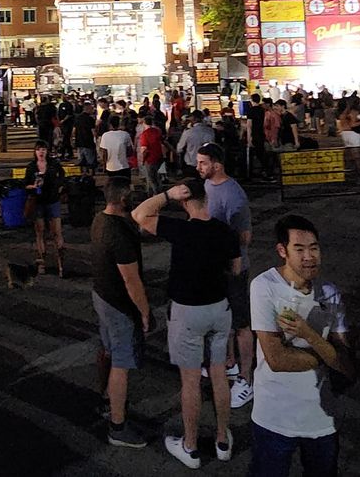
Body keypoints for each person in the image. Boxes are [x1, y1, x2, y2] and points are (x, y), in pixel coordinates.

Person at [133, 180, 240, 468]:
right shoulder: (224, 231)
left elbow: (139, 215)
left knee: (190, 380)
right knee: (219, 374)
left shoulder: (180, 229)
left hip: (187, 312)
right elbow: (236, 268)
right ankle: (221, 440)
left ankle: (191, 445)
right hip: (219, 308)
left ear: (184, 202)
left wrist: (166, 195)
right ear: (206, 199)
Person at [249, 215, 352, 477]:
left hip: (321, 419)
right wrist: (327, 355)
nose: (309, 256)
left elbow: (347, 364)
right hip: (274, 417)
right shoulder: (265, 287)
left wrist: (309, 335)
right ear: (282, 251)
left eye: (314, 248)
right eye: (299, 249)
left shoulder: (330, 292)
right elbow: (277, 360)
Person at [90, 176, 151, 449]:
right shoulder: (119, 234)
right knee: (122, 363)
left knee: (108, 350)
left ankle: (106, 399)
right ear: (124, 199)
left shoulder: (100, 220)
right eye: (133, 193)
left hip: (101, 295)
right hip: (118, 303)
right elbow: (132, 281)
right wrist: (145, 311)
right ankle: (118, 425)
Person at [198, 142, 255, 410]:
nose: (198, 167)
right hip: (214, 265)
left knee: (242, 323)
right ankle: (229, 363)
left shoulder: (234, 195)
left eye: (202, 163)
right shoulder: (207, 186)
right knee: (224, 319)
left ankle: (247, 378)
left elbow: (245, 237)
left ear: (216, 165)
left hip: (234, 268)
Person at [23, 141, 67, 276]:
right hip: (38, 202)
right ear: (35, 152)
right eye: (38, 150)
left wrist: (59, 187)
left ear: (47, 151)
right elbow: (25, 184)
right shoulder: (31, 167)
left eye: (43, 149)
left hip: (52, 200)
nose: (41, 152)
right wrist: (32, 187)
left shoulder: (54, 165)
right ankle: (42, 262)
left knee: (56, 232)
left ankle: (61, 264)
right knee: (40, 232)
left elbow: (63, 177)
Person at [176, 109, 216, 179]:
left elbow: (179, 149)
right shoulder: (210, 131)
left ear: (193, 119)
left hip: (191, 165)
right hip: (206, 165)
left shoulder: (188, 132)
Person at [137, 114, 167, 193]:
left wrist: (143, 160)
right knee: (157, 177)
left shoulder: (144, 134)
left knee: (152, 178)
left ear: (144, 123)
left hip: (150, 158)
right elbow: (163, 142)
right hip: (159, 156)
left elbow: (144, 149)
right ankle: (158, 192)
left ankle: (155, 194)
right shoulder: (157, 131)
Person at [75, 101, 99, 176]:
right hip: (88, 141)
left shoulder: (77, 118)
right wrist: (96, 139)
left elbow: (74, 130)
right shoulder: (90, 119)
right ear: (88, 109)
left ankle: (84, 173)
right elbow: (93, 131)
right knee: (90, 160)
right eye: (91, 109)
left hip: (79, 141)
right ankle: (92, 174)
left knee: (82, 159)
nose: (93, 110)